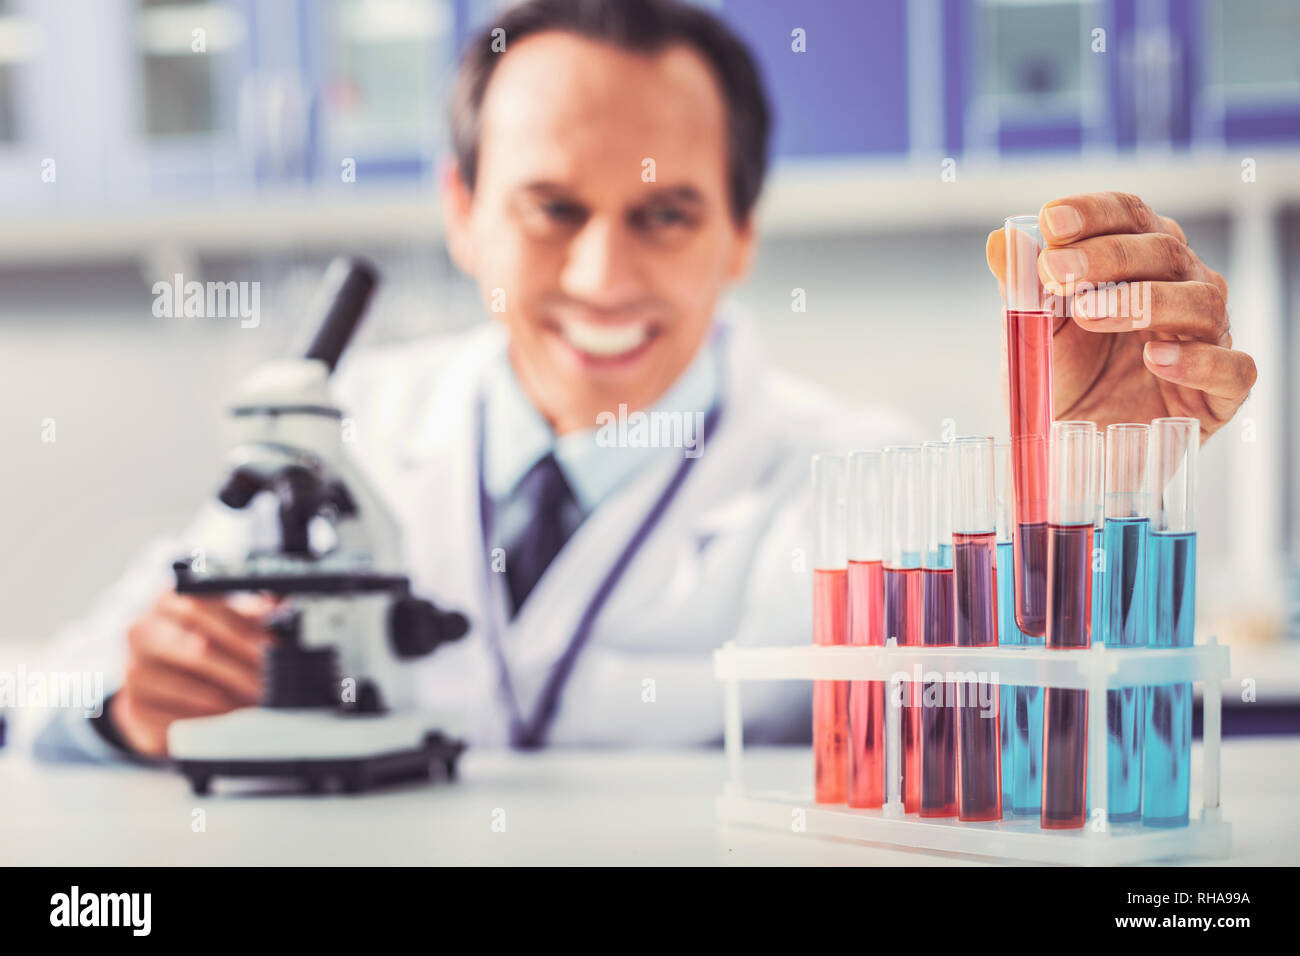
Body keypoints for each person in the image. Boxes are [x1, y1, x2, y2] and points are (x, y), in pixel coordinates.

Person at [19, 0, 1255, 762]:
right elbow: (50, 688)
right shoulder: (345, 436)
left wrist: (1090, 492)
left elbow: (1024, 729)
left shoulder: (859, 481)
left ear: (739, 231)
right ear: (462, 213)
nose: (603, 274)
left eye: (664, 215)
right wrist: (128, 710)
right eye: (551, 209)